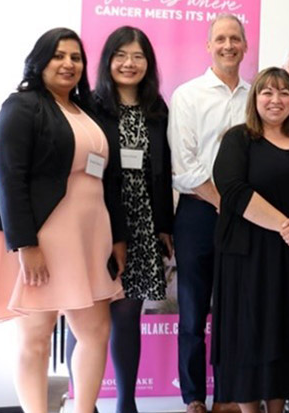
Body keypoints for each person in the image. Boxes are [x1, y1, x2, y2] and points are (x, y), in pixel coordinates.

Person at [0, 27, 126, 413]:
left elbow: (108, 179)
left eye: (76, 57)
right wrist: (26, 245)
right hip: (41, 237)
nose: (68, 64)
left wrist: (118, 239)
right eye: (59, 55)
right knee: (36, 336)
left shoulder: (87, 111)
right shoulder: (22, 106)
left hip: (88, 239)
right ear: (40, 60)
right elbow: (9, 177)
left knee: (96, 332)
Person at [210, 67, 289, 413]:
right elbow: (233, 190)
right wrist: (287, 226)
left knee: (287, 334)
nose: (275, 99)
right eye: (267, 92)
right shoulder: (239, 139)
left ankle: (277, 407)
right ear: (255, 99)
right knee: (252, 336)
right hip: (250, 260)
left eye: (283, 93)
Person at [65, 26, 172, 413]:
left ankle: (127, 403)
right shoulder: (89, 106)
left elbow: (162, 171)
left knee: (128, 315)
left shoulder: (157, 109)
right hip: (97, 221)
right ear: (108, 60)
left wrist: (164, 226)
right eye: (121, 55)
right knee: (85, 314)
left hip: (142, 225)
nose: (129, 63)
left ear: (148, 63)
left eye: (138, 56)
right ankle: (84, 402)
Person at [167, 14, 250, 413]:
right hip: (199, 215)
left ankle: (230, 395)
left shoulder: (257, 96)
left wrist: (241, 208)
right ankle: (194, 396)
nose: (228, 45)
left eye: (235, 38)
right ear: (208, 45)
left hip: (248, 219)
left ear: (245, 46)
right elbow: (184, 165)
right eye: (221, 39)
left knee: (236, 309)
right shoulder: (188, 95)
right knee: (193, 312)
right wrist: (224, 202)